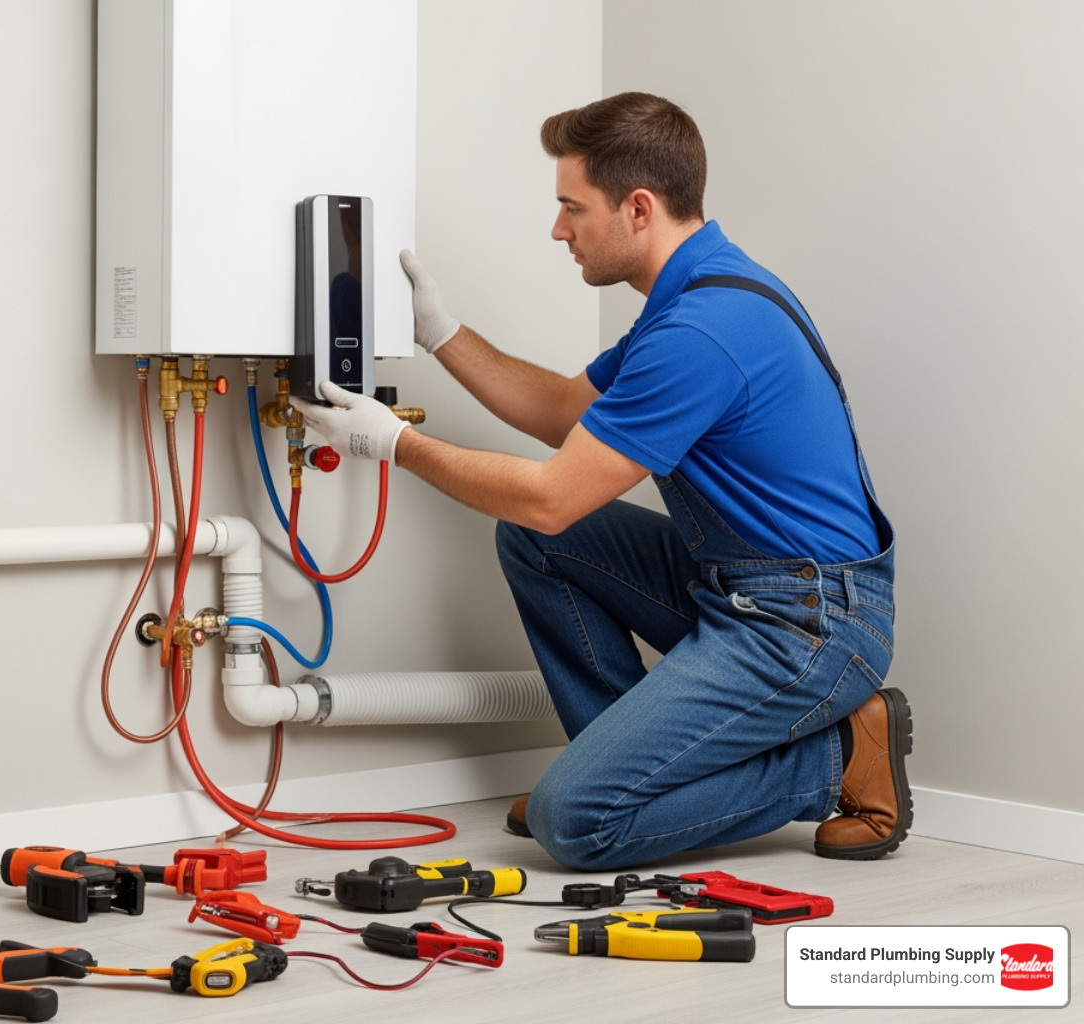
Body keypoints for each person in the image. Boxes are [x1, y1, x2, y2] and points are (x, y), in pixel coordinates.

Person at [292, 92, 911, 870]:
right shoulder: (697, 292)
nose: (559, 229)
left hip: (806, 622)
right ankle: (627, 771)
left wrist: (396, 446)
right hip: (744, 584)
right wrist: (441, 334)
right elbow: (562, 412)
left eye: (571, 208)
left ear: (639, 209)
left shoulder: (700, 332)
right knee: (536, 542)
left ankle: (833, 758)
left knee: (576, 824)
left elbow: (554, 494)